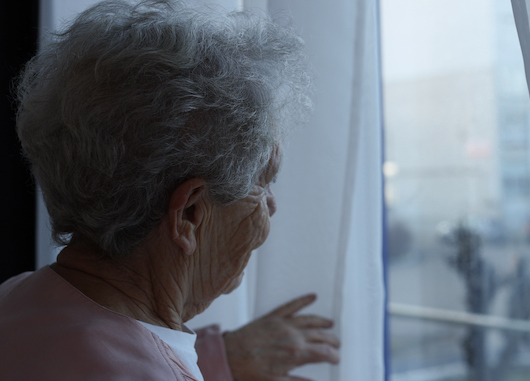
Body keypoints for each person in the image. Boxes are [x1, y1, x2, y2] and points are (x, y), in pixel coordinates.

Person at [0, 1, 340, 380]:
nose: (272, 206)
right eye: (264, 181)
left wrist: (214, 359)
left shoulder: (11, 301)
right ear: (190, 214)